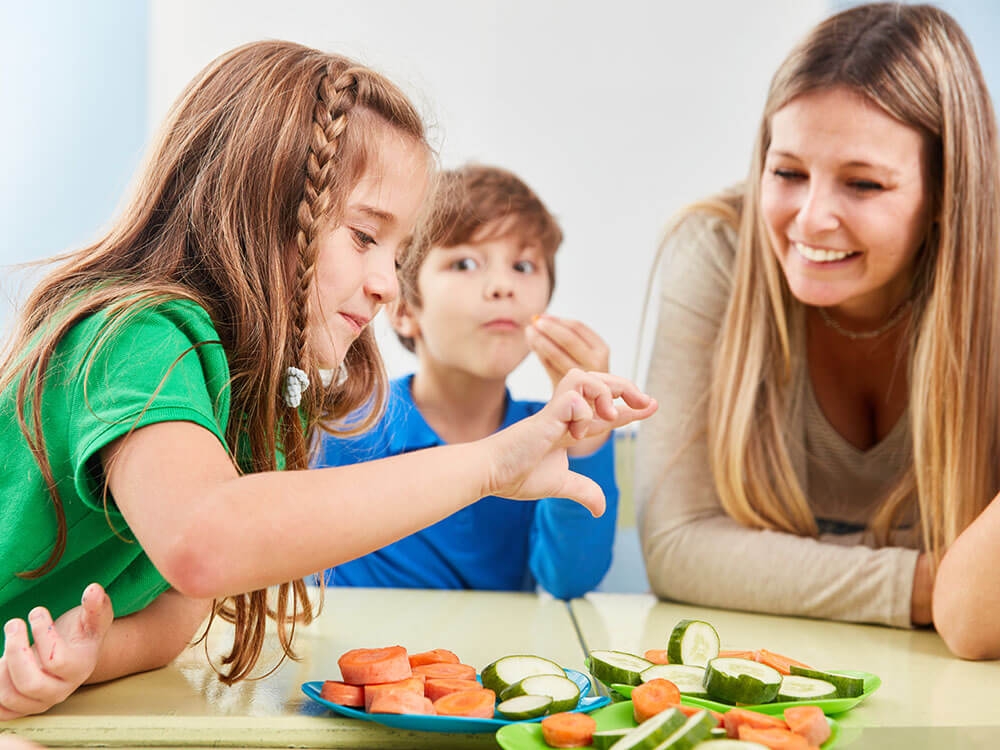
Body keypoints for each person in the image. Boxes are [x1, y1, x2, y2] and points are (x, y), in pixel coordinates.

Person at [0, 41, 657, 719]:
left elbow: (173, 614)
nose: (384, 285)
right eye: (366, 237)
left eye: (399, 254)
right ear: (263, 202)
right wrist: (488, 465)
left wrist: (80, 657)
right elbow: (204, 545)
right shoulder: (135, 337)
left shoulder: (246, 387)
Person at [636, 2, 1000, 658]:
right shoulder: (717, 251)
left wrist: (779, 569)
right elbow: (678, 546)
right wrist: (930, 582)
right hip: (768, 668)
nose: (811, 220)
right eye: (788, 173)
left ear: (948, 191)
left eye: (862, 184)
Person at [317, 164, 617, 599]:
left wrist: (585, 436)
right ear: (403, 309)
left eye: (523, 265)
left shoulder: (552, 436)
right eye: (465, 263)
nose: (501, 286)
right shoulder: (340, 427)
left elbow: (569, 580)